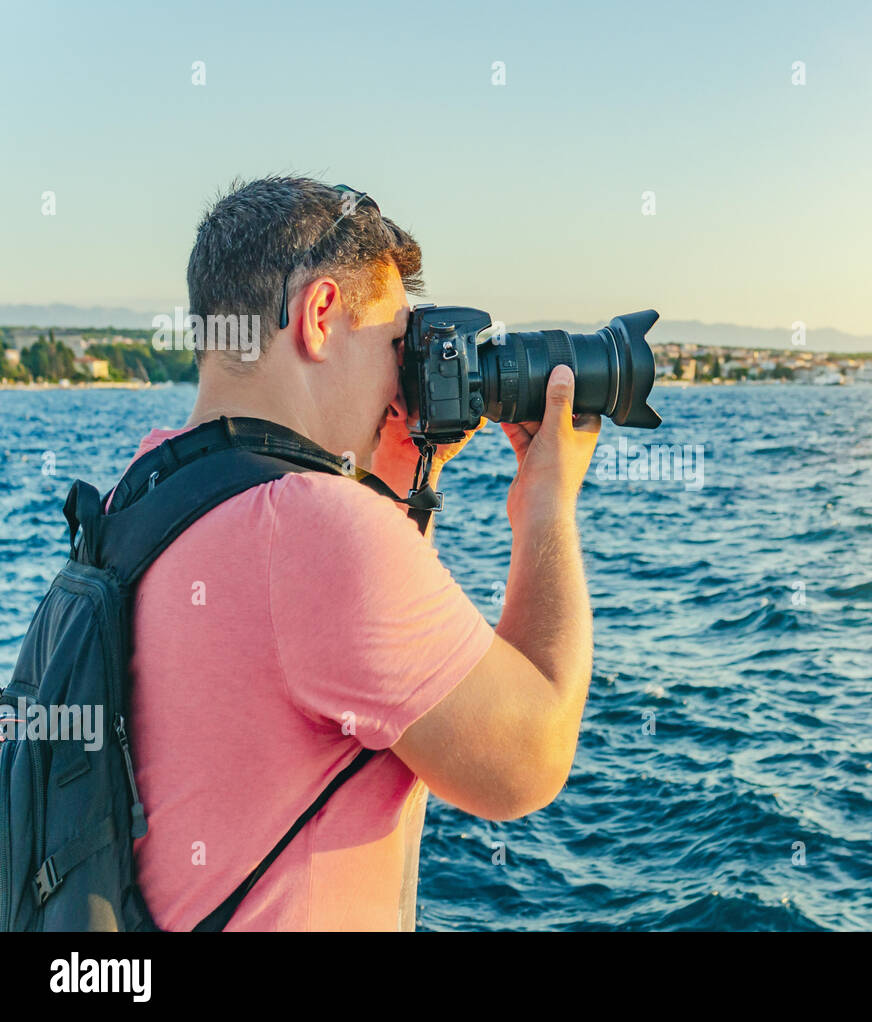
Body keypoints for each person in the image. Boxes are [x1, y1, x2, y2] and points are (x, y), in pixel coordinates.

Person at [125, 176, 599, 930]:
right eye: (393, 343)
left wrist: (405, 483)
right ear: (319, 317)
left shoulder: (143, 494)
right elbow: (528, 760)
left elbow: (360, 679)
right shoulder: (311, 527)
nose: (402, 378)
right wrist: (546, 504)